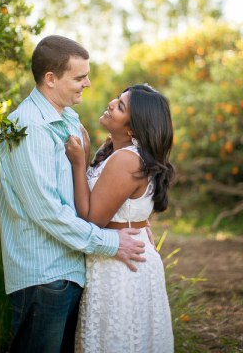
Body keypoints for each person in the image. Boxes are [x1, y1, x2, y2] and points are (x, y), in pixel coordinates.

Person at [0, 35, 147, 353]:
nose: (88, 83)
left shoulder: (67, 119)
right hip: (44, 276)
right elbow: (47, 211)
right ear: (51, 79)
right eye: (79, 77)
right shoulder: (29, 128)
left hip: (68, 271)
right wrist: (111, 242)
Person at [65, 83, 175, 353]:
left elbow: (92, 219)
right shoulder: (118, 153)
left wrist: (80, 163)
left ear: (132, 129)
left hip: (121, 266)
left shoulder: (126, 159)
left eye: (121, 106)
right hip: (118, 256)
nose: (112, 103)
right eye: (118, 98)